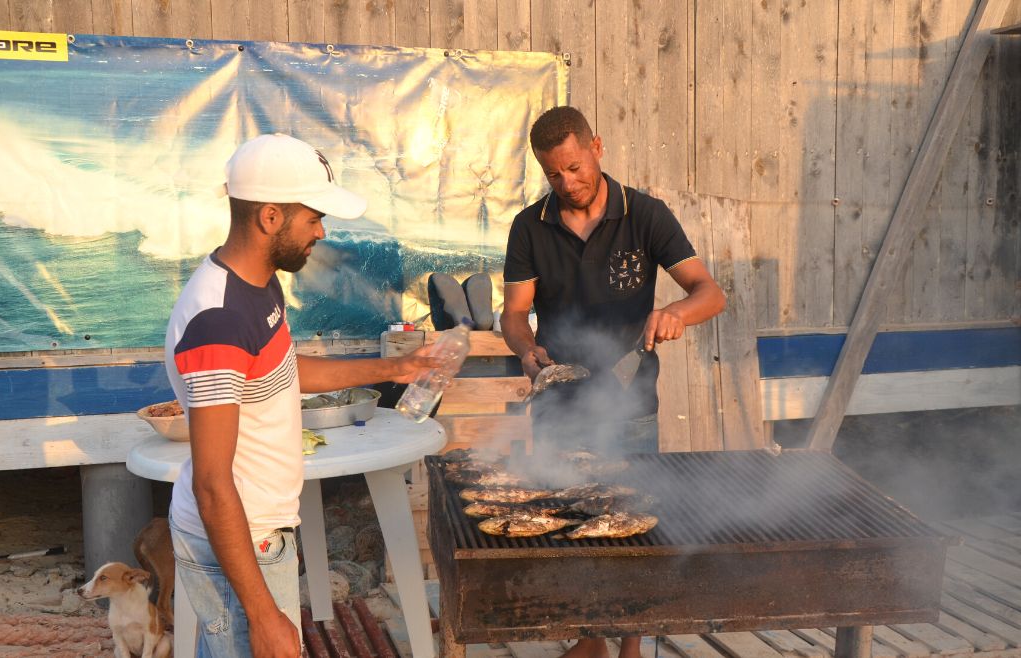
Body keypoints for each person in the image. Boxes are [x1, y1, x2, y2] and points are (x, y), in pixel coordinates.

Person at [164, 133, 436, 658]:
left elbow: (282, 370)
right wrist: (264, 616)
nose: (321, 231)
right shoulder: (219, 320)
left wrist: (394, 367)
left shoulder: (256, 285)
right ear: (269, 217)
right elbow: (213, 483)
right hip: (241, 542)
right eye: (312, 218)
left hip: (261, 532)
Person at [500, 107, 726, 658]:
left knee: (630, 527)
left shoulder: (645, 214)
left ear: (596, 146)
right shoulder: (530, 226)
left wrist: (677, 312)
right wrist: (527, 350)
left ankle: (630, 643)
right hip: (558, 402)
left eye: (575, 168)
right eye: (554, 175)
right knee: (566, 520)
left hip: (629, 403)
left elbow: (709, 292)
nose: (567, 183)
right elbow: (513, 315)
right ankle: (589, 637)